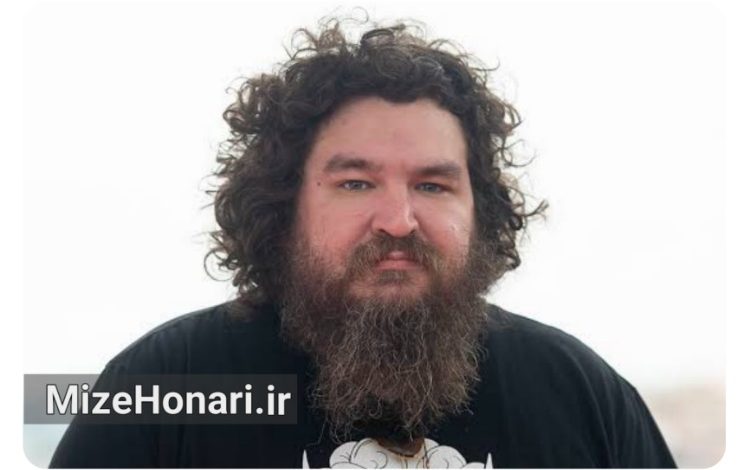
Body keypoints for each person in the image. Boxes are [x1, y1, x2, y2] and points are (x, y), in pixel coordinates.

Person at [49, 16, 676, 468]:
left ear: (478, 210)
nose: (398, 220)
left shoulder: (581, 394)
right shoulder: (167, 386)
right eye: (355, 183)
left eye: (432, 185)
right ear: (284, 204)